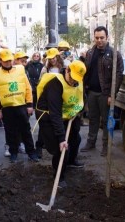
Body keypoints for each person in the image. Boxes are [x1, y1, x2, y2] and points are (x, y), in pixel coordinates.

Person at [36, 60, 86, 188]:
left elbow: (81, 100)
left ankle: (70, 161)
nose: (74, 82)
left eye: (77, 79)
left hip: (68, 113)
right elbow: (54, 113)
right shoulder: (55, 85)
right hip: (48, 115)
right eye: (72, 78)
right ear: (67, 70)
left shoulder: (78, 82)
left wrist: (77, 112)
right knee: (61, 148)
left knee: (76, 138)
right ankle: (59, 176)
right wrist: (61, 138)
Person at [0, 49, 39, 163]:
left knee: (26, 130)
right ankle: (13, 152)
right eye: (6, 61)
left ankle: (31, 152)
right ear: (0, 61)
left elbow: (27, 87)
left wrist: (30, 104)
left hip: (21, 105)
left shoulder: (20, 69)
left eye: (10, 61)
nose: (8, 63)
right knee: (11, 131)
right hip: (7, 108)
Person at [80, 26, 124, 156]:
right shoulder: (90, 53)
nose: (99, 40)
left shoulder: (114, 54)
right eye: (97, 38)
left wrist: (112, 94)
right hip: (91, 92)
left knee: (106, 121)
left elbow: (119, 75)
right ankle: (91, 142)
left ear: (107, 37)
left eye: (102, 38)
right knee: (92, 119)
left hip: (105, 94)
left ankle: (106, 146)